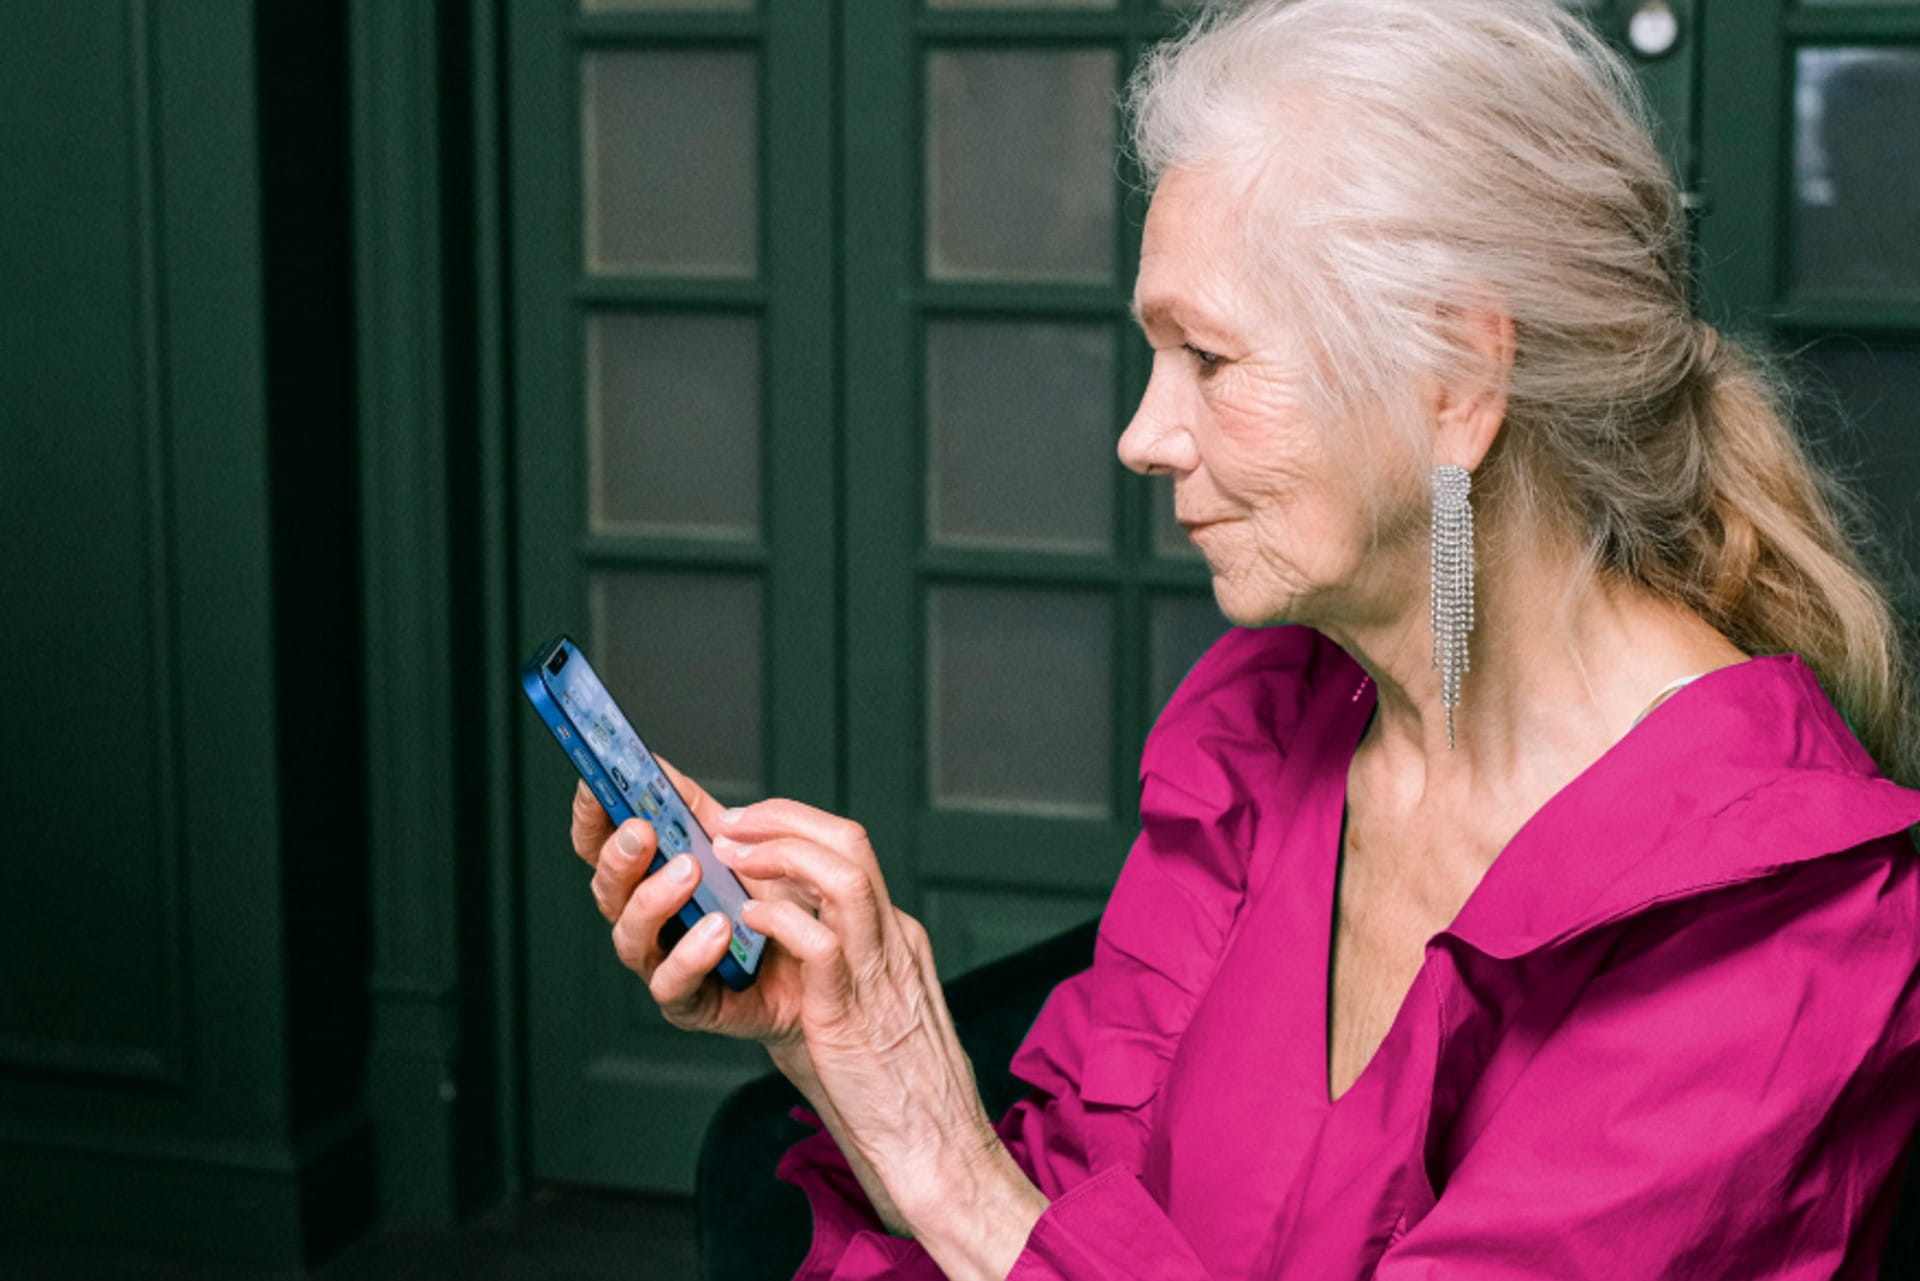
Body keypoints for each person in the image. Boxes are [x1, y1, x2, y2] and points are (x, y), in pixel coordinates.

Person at [571, 1, 1920, 1276]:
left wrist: (949, 1163)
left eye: (1209, 361)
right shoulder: (1271, 728)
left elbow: (1007, 1218)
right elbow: (1069, 1202)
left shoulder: (1778, 920)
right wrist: (854, 1047)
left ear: (1458, 379)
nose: (1144, 437)